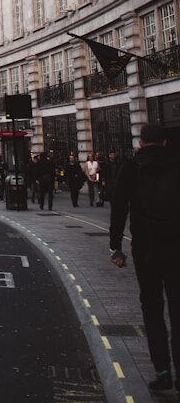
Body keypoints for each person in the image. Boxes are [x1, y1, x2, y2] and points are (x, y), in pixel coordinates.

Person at [109, 123, 180, 393]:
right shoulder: (176, 164)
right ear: (164, 143)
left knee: (152, 309)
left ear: (141, 142)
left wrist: (115, 246)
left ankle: (162, 371)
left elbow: (118, 206)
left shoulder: (133, 165)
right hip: (176, 247)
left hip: (146, 249)